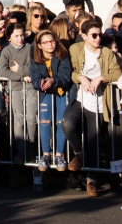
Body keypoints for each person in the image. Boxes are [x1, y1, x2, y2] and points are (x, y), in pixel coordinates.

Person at [63, 18, 121, 196]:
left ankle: (92, 180)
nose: (97, 38)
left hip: (99, 101)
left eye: (99, 34)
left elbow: (116, 73)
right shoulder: (75, 49)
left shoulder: (106, 52)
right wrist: (81, 77)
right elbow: (70, 71)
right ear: (84, 36)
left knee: (94, 140)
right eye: (93, 35)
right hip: (81, 97)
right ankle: (79, 153)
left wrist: (100, 78)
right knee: (67, 123)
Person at [0, 22, 36, 184]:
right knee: (19, 119)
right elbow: (3, 70)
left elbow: (33, 68)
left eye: (22, 35)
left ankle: (31, 150)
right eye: (16, 36)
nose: (20, 38)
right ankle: (20, 152)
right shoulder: (6, 50)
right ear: (9, 37)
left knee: (31, 119)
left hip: (31, 89)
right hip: (16, 88)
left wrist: (19, 69)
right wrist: (21, 76)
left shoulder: (30, 48)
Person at [30, 29, 72, 173]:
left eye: (52, 41)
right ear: (39, 45)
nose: (50, 45)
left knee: (61, 122)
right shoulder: (35, 57)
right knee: (44, 122)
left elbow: (66, 76)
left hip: (60, 91)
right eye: (46, 42)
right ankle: (45, 154)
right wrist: (40, 83)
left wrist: (54, 80)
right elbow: (34, 78)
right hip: (45, 92)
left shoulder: (63, 55)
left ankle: (59, 154)